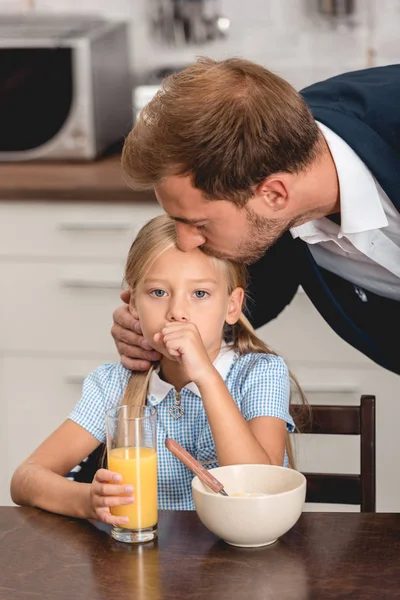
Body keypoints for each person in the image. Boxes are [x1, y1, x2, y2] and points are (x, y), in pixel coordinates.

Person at [113, 57, 400, 376]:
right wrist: (156, 330)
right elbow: (253, 293)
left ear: (275, 195)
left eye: (199, 224)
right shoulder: (264, 169)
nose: (185, 241)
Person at [11, 215, 305, 523]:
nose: (177, 312)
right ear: (133, 304)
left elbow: (260, 491)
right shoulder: (112, 384)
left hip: (237, 564)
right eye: (158, 293)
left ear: (232, 305)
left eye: (200, 294)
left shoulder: (261, 373)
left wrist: (206, 377)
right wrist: (87, 501)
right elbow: (25, 479)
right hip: (145, 560)